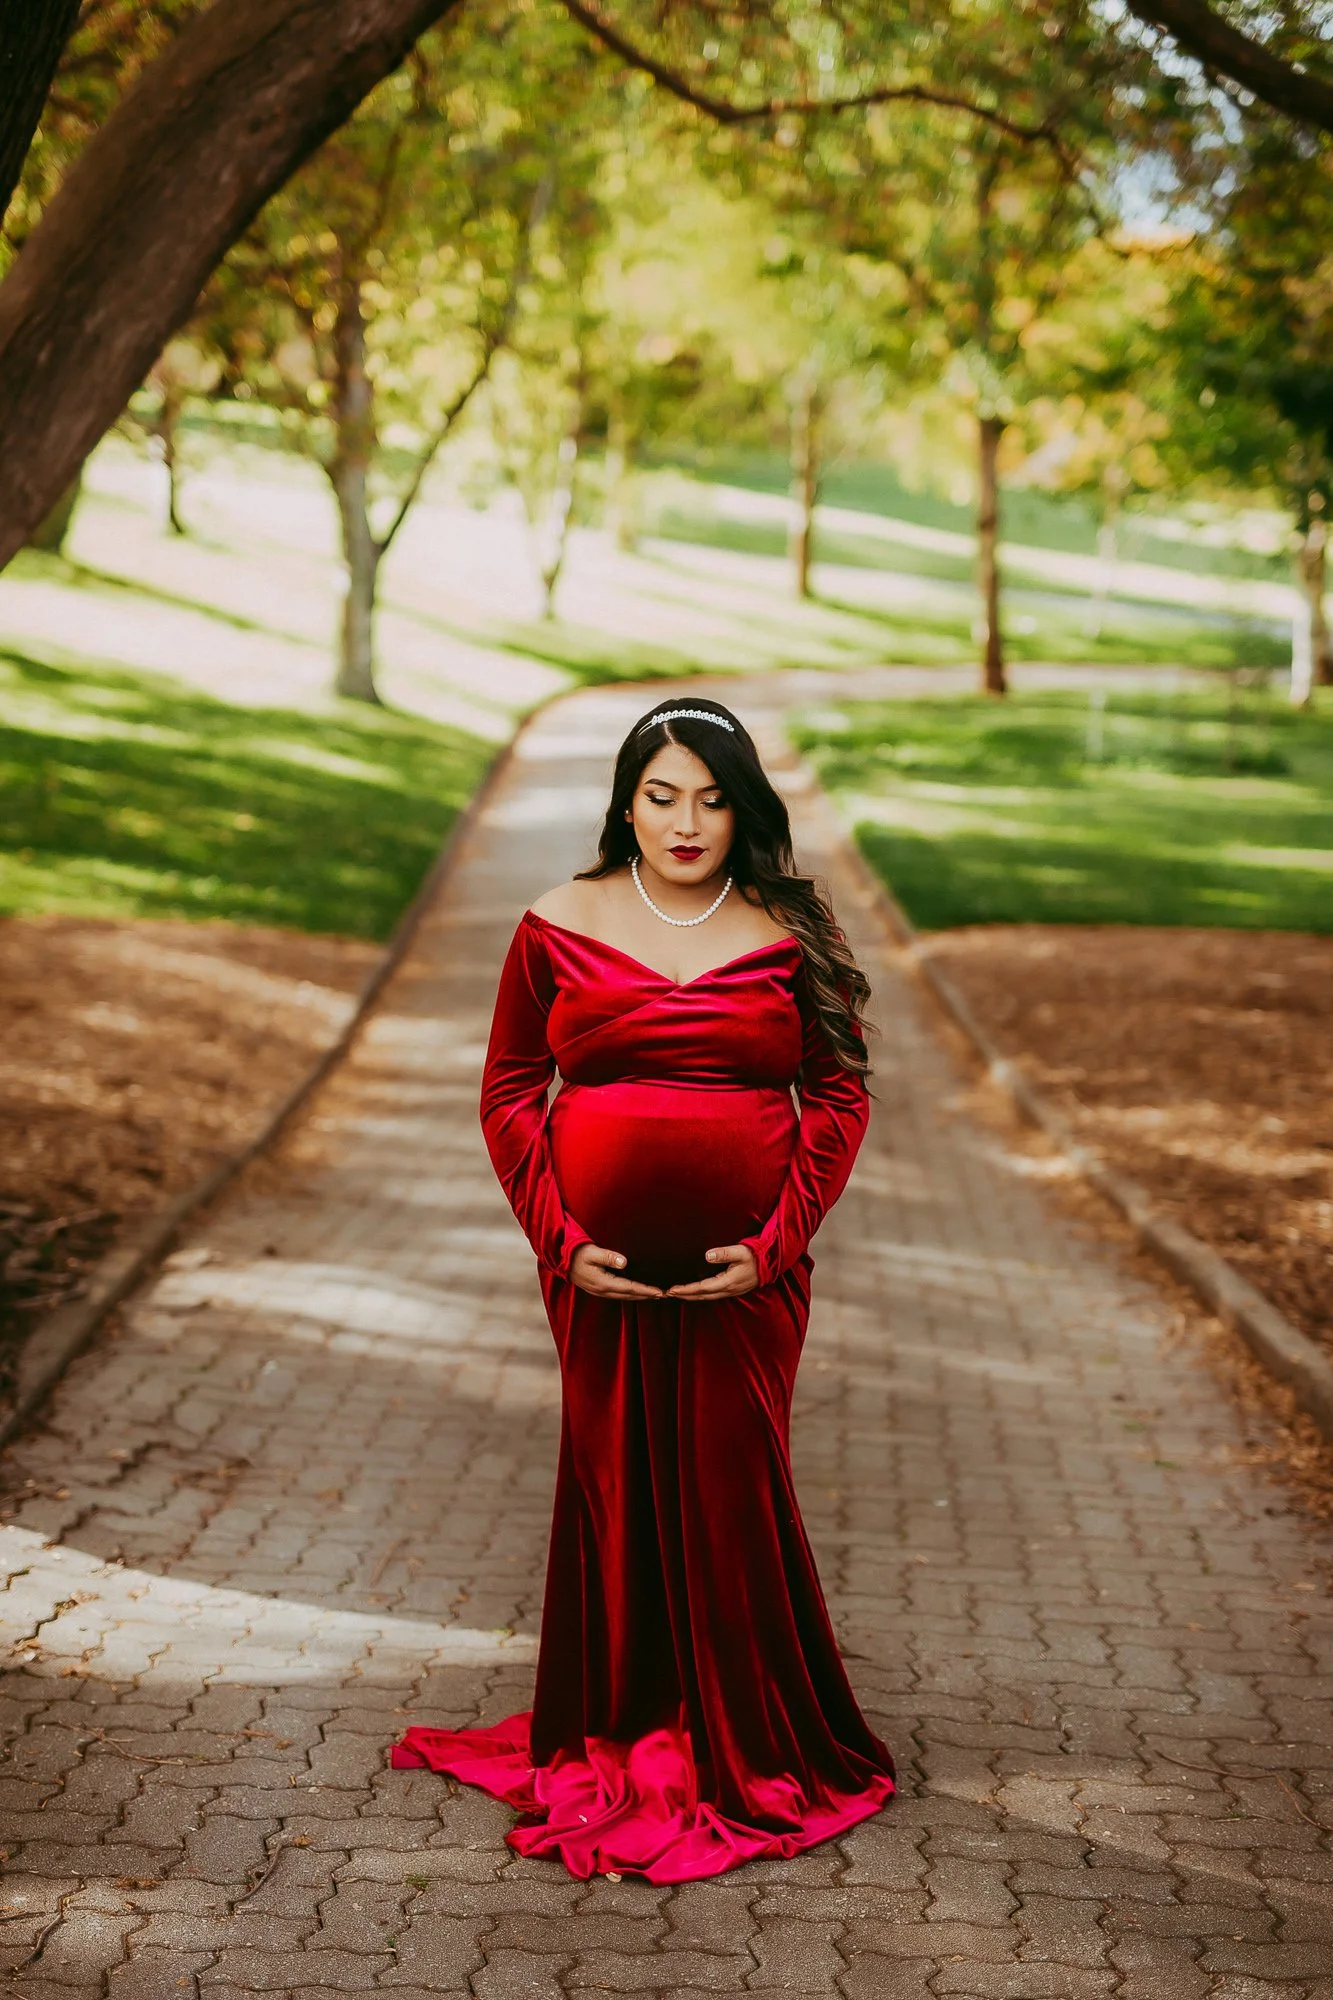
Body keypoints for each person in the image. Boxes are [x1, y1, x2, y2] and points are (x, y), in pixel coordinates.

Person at [391, 697, 895, 1882]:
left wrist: (777, 1236)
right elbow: (511, 1084)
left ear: (743, 808)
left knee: (729, 1482)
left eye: (713, 798)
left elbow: (839, 1092)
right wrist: (557, 1235)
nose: (686, 821)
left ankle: (753, 1743)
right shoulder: (556, 921)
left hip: (748, 1276)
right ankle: (623, 1720)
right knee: (616, 1483)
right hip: (595, 1275)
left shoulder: (786, 923)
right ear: (624, 799)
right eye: (662, 794)